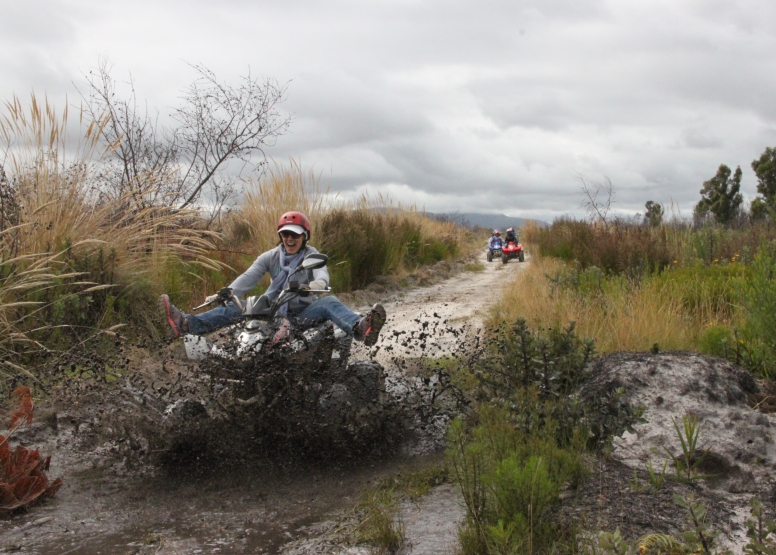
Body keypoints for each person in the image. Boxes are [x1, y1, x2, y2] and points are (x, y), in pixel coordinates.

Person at [158, 211, 386, 347]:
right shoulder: (270, 257)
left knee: (329, 303)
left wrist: (316, 285)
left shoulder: (312, 255)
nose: (289, 238)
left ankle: (361, 328)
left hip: (303, 313)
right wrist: (226, 292)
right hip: (271, 310)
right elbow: (248, 277)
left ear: (304, 236)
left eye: (295, 234)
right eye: (285, 234)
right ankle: (185, 324)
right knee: (240, 306)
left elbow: (322, 274)